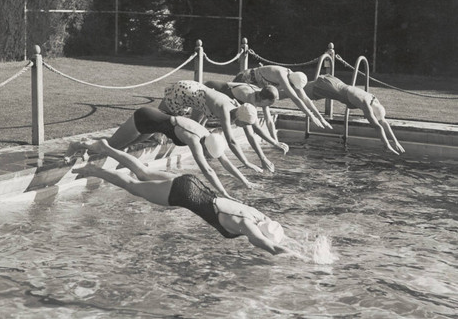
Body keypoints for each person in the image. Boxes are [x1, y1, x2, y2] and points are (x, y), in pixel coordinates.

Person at [72, 138, 302, 256]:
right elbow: (269, 247)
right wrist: (302, 260)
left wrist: (300, 244)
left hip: (193, 183)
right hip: (184, 194)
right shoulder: (246, 227)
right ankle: (94, 171)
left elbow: (273, 237)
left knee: (141, 172)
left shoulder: (256, 216)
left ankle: (105, 147)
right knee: (133, 185)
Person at [64, 107, 256, 198]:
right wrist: (223, 193)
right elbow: (208, 171)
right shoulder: (195, 141)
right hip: (144, 118)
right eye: (208, 154)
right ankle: (76, 145)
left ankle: (83, 150)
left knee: (117, 150)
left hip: (154, 125)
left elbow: (223, 161)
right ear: (206, 148)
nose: (208, 156)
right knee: (113, 145)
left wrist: (244, 180)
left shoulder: (208, 136)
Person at [158, 80, 287, 172]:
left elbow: (251, 130)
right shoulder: (225, 110)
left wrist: (266, 153)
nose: (243, 126)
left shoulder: (239, 110)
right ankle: (154, 131)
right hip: (185, 91)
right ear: (240, 119)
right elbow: (231, 141)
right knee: (164, 116)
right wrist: (246, 163)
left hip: (197, 95)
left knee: (192, 128)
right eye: (244, 124)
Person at [303, 74, 406, 155]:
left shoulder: (373, 98)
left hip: (335, 83)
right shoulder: (365, 105)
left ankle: (293, 82)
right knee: (299, 92)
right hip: (330, 88)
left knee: (300, 88)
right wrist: (387, 144)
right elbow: (378, 127)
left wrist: (395, 141)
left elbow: (383, 122)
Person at [233, 65, 333, 130]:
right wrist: (310, 116)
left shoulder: (294, 77)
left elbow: (305, 99)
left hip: (255, 86)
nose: (293, 88)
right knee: (246, 109)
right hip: (243, 79)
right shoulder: (282, 75)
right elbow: (296, 99)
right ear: (290, 82)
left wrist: (320, 117)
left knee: (258, 106)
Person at [204, 80, 282, 143]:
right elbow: (256, 128)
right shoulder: (249, 98)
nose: (270, 105)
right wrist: (275, 144)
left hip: (219, 94)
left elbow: (269, 121)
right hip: (210, 88)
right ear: (264, 99)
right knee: (203, 119)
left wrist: (276, 141)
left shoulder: (262, 97)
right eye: (270, 103)